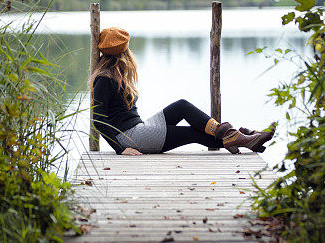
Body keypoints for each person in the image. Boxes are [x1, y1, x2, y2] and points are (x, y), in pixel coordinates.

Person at [89, 27, 275, 155]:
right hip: (130, 138)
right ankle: (238, 136)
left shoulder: (115, 75)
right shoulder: (104, 78)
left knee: (182, 108)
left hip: (138, 130)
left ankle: (240, 137)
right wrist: (120, 149)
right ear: (125, 52)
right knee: (189, 123)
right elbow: (98, 119)